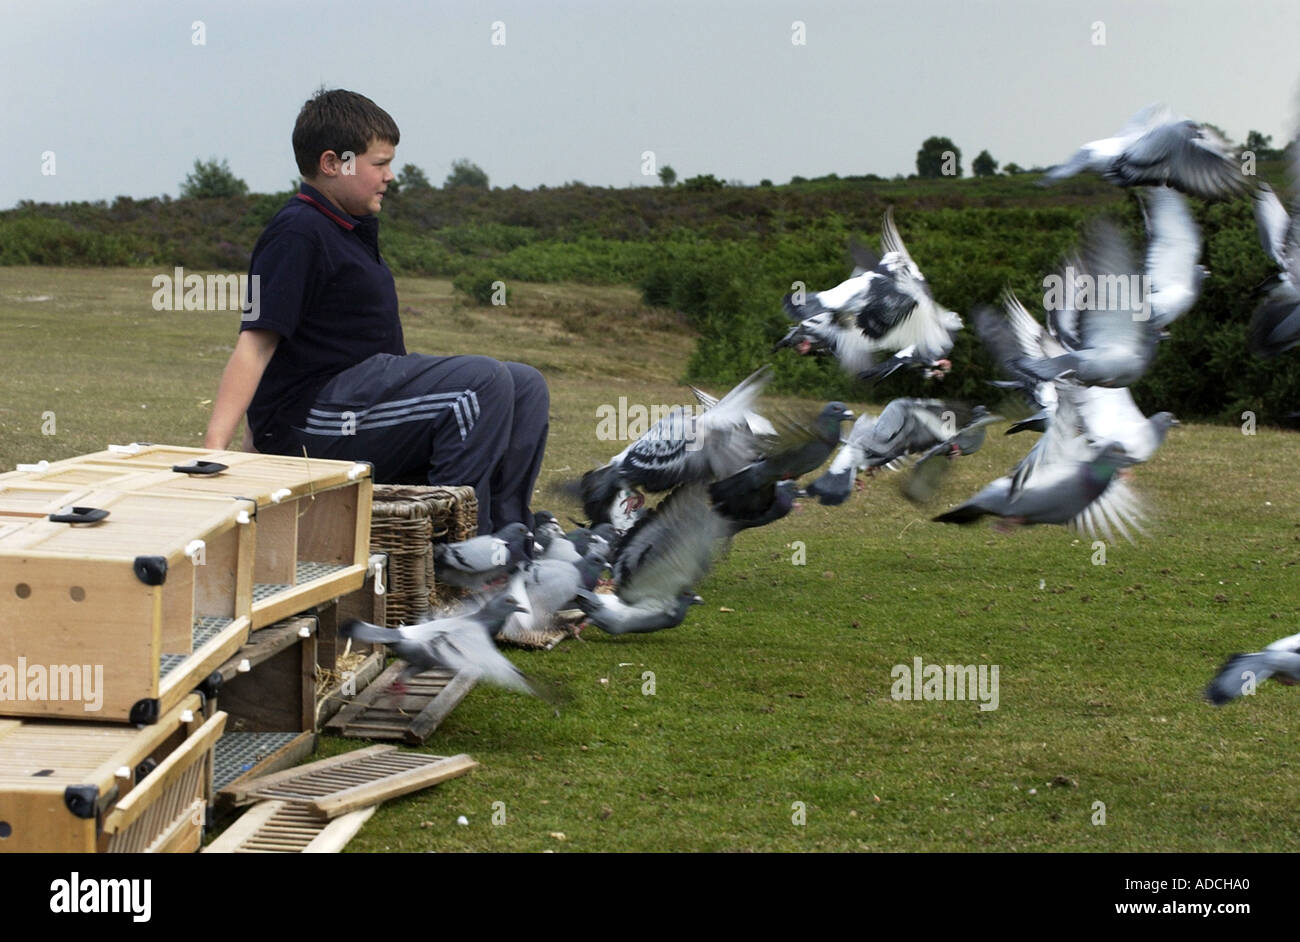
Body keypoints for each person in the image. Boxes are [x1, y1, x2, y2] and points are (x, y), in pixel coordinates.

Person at [203, 89, 548, 534]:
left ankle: (509, 538)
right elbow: (255, 345)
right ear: (333, 163)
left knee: (525, 384)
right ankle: (457, 547)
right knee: (480, 384)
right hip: (315, 422)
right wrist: (217, 450)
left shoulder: (347, 228)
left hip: (359, 402)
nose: (389, 176)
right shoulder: (297, 233)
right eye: (379, 163)